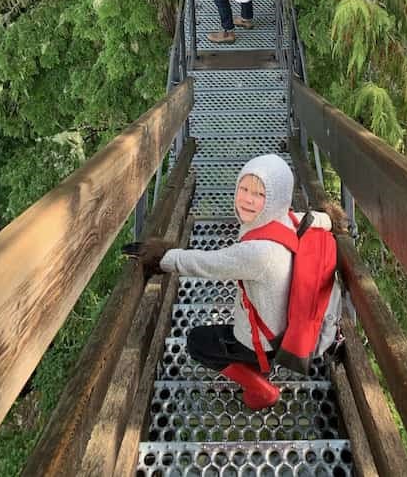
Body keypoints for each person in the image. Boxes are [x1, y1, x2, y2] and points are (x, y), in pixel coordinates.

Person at [136, 154, 347, 410]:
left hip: (264, 344)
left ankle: (262, 387)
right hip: (285, 328)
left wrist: (161, 257)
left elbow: (206, 264)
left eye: (259, 194)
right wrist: (332, 220)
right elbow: (318, 219)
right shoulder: (291, 219)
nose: (247, 198)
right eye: (243, 188)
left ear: (276, 198)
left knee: (197, 342)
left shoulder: (258, 252)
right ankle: (258, 366)